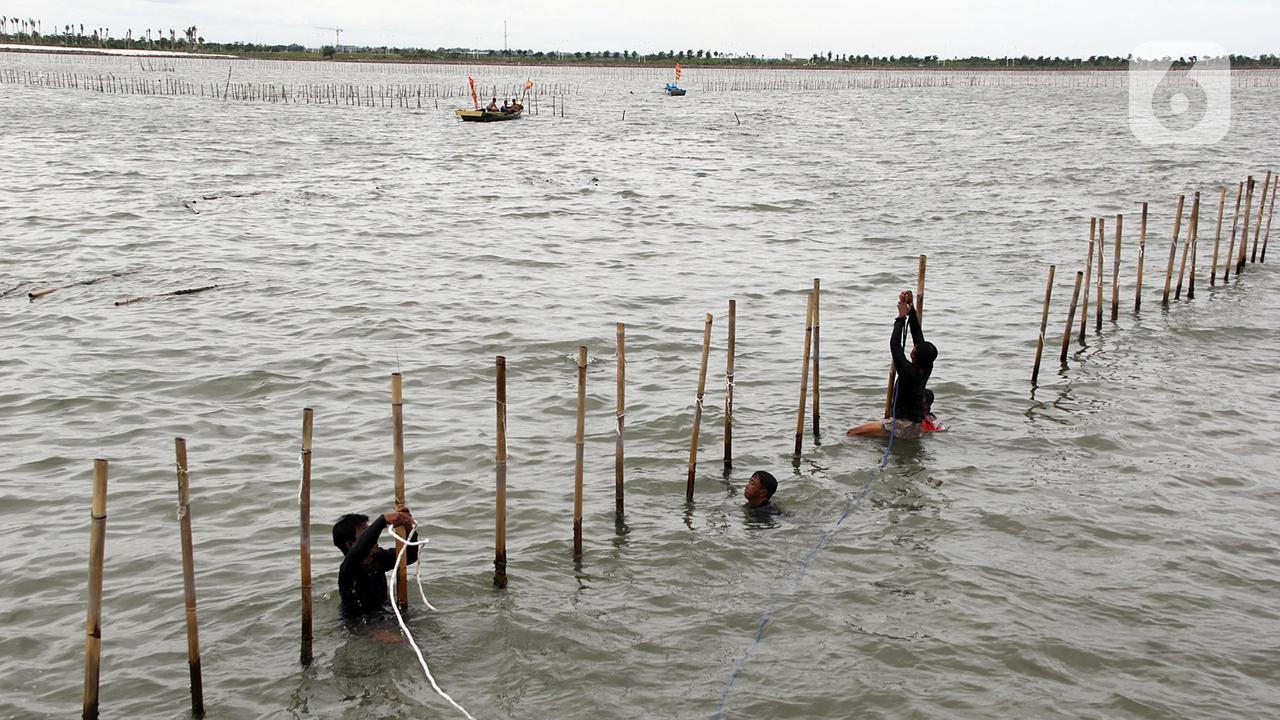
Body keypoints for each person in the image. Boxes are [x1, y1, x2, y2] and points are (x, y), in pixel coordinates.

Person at [847, 290, 938, 439]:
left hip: (903, 426)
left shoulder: (908, 372)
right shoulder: (927, 367)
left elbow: (895, 345)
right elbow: (918, 338)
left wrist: (901, 317)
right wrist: (912, 310)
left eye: (914, 349)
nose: (913, 347)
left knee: (852, 433)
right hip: (915, 425)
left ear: (914, 355)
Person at [332, 507, 419, 617]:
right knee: (387, 634)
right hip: (360, 624)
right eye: (366, 533)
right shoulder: (349, 569)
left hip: (385, 613)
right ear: (350, 544)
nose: (374, 538)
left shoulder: (378, 558)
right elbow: (359, 550)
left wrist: (408, 528)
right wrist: (383, 520)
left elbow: (410, 555)